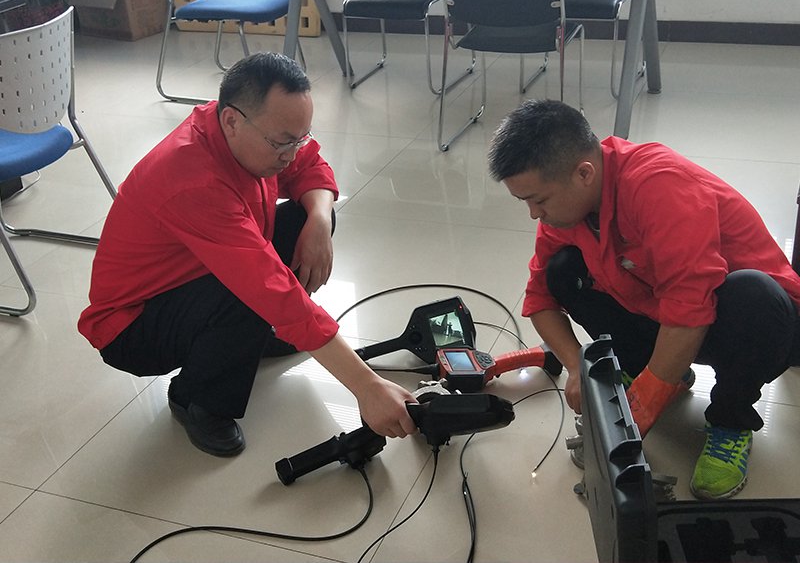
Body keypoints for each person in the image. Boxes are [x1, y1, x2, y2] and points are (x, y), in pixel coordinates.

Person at [78, 53, 416, 457]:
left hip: (193, 276)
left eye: (300, 137)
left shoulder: (241, 131)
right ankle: (197, 400)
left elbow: (310, 166)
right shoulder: (193, 180)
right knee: (249, 293)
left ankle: (250, 339)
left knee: (303, 220)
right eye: (282, 142)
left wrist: (319, 221)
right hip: (133, 326)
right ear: (232, 121)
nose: (291, 153)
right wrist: (366, 386)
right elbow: (269, 287)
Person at [488, 99, 800, 500]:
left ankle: (730, 420)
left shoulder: (658, 186)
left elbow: (690, 307)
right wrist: (576, 367)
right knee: (563, 270)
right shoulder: (567, 210)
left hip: (758, 326)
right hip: (668, 312)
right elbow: (540, 298)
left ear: (584, 173)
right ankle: (658, 372)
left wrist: (646, 403)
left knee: (756, 296)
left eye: (539, 200)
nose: (535, 214)